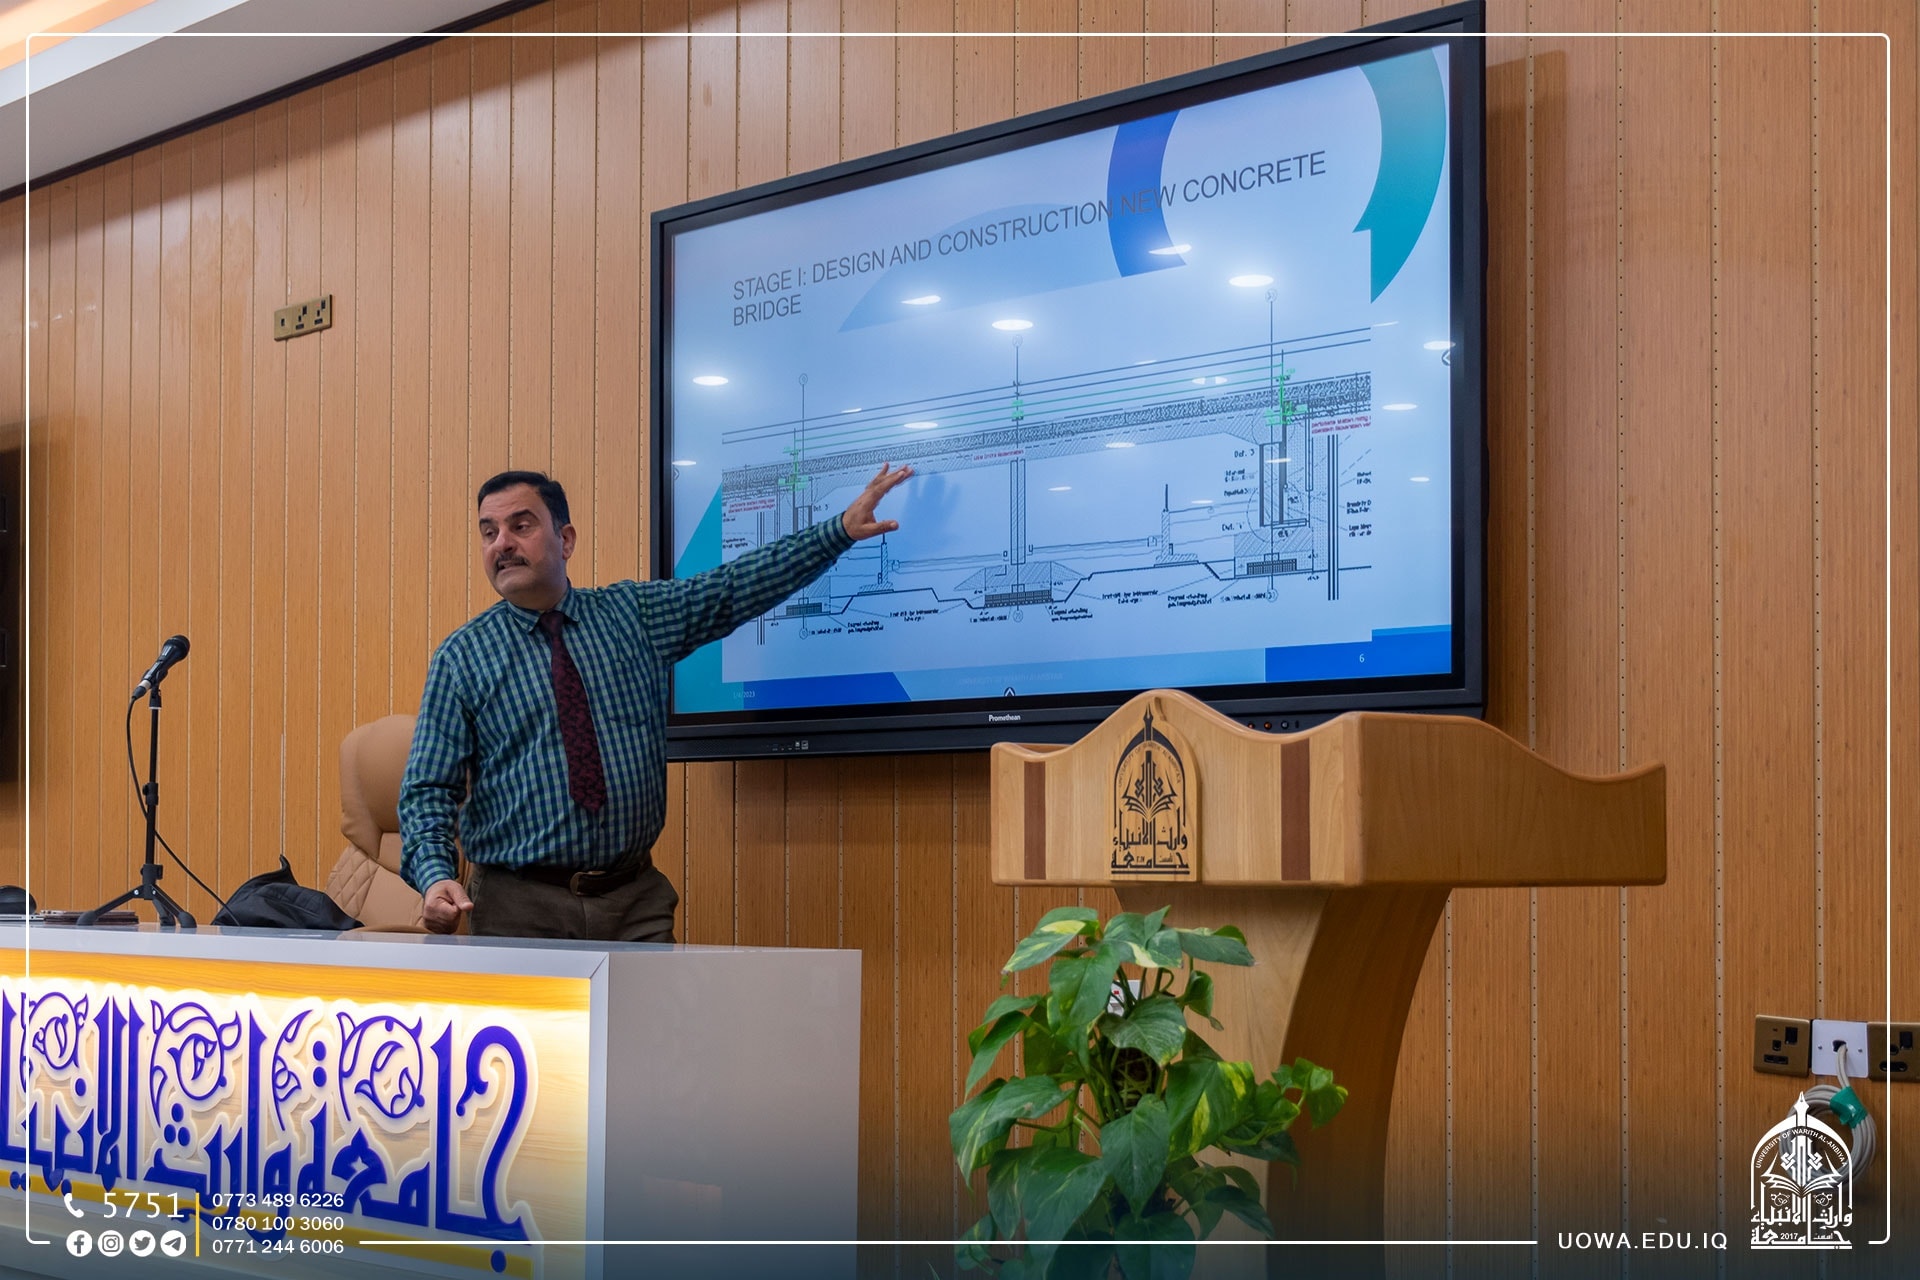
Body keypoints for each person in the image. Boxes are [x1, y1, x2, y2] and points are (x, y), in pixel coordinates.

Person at [397, 464, 912, 939]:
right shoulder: (462, 658)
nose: (503, 544)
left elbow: (734, 588)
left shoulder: (634, 616)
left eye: (521, 526)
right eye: (489, 532)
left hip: (632, 902)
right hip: (517, 907)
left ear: (566, 539)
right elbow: (427, 789)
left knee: (653, 1017)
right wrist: (435, 875)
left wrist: (838, 532)